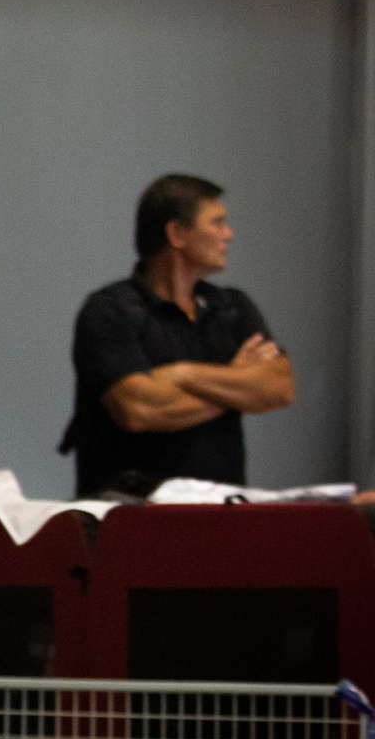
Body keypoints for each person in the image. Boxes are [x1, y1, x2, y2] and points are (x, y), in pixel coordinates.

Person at [61, 174, 293, 497]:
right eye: (217, 223)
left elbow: (279, 387)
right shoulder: (110, 311)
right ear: (177, 234)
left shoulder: (231, 308)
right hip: (132, 516)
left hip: (222, 515)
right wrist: (236, 382)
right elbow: (138, 409)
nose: (229, 234)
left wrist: (183, 374)